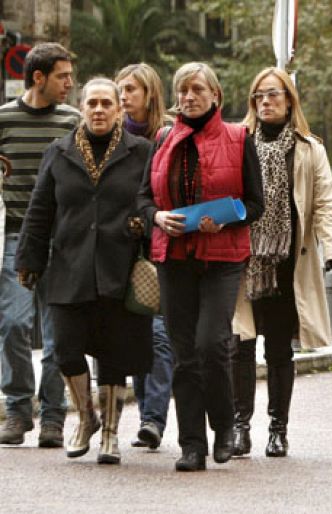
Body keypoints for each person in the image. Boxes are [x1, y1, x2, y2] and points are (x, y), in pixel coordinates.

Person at [15, 77, 154, 464]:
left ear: (119, 109)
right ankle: (87, 417)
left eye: (106, 103)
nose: (99, 110)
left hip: (118, 266)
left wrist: (143, 224)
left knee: (114, 353)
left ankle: (110, 432)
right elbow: (40, 209)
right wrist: (28, 259)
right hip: (69, 266)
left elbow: (152, 200)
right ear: (81, 107)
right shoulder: (58, 152)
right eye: (92, 103)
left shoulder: (141, 151)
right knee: (65, 349)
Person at [137, 62, 264, 472]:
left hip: (222, 257)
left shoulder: (238, 137)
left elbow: (256, 204)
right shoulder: (163, 139)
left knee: (211, 344)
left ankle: (224, 426)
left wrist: (226, 220)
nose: (188, 97)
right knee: (184, 354)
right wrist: (157, 217)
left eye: (196, 89)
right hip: (174, 257)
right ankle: (192, 444)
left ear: (215, 96)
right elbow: (143, 198)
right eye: (182, 90)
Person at [229, 67, 332, 458]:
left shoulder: (309, 149)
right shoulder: (237, 142)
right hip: (243, 260)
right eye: (259, 96)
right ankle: (239, 427)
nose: (265, 101)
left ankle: (277, 429)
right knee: (240, 344)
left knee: (279, 349)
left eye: (273, 94)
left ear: (288, 101)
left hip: (286, 263)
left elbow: (325, 205)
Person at [0, 42, 78, 448]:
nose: (70, 84)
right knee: (13, 323)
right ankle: (17, 409)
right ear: (38, 77)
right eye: (62, 76)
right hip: (15, 236)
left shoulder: (73, 121)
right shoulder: (4, 119)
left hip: (62, 240)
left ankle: (52, 416)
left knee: (56, 334)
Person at [115, 63, 174, 450]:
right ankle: (144, 417)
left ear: (149, 93)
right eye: (120, 89)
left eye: (131, 89)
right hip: (119, 248)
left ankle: (153, 418)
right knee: (132, 333)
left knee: (158, 333)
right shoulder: (112, 136)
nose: (123, 97)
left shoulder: (167, 135)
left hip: (160, 245)